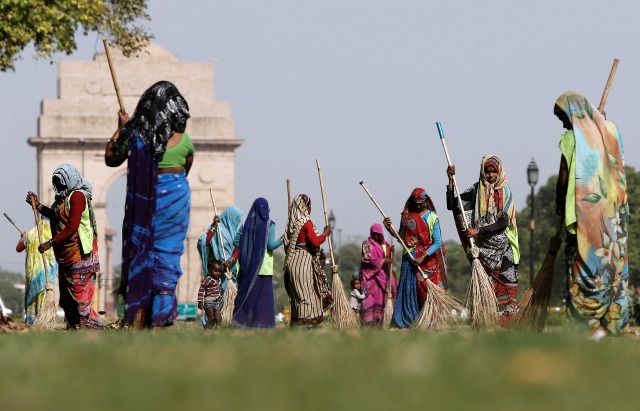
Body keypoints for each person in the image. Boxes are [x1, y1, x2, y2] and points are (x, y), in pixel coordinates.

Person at [105, 80, 193, 328]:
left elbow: (111, 159)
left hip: (147, 202)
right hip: (176, 200)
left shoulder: (137, 137)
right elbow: (186, 168)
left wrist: (121, 128)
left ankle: (140, 313)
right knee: (169, 252)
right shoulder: (184, 139)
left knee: (145, 252)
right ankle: (162, 312)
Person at [554, 91, 629, 338]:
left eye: (563, 117)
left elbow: (565, 178)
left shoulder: (571, 138)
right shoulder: (611, 130)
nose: (564, 124)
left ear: (573, 115)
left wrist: (558, 204)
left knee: (583, 264)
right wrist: (602, 124)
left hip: (585, 215)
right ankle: (613, 324)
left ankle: (585, 323)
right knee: (612, 265)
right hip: (613, 216)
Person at [26, 164, 103, 329]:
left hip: (79, 252)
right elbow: (55, 215)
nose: (59, 186)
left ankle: (85, 324)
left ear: (70, 180)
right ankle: (72, 323)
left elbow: (72, 226)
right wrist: (38, 205)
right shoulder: (62, 198)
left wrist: (50, 242)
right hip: (65, 254)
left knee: (79, 289)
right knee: (67, 292)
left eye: (62, 183)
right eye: (57, 183)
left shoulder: (77, 197)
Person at [446, 155, 520, 325]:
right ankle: (485, 323)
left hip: (503, 252)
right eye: (487, 172)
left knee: (506, 288)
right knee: (484, 289)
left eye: (494, 172)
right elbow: (453, 205)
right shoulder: (475, 190)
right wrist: (451, 181)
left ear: (499, 171)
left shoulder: (504, 191)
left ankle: (507, 326)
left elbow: (503, 222)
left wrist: (477, 230)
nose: (491, 175)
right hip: (482, 252)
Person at [383, 188, 447, 328]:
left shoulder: (432, 217)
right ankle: (405, 322)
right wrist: (390, 230)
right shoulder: (407, 216)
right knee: (408, 290)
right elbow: (402, 238)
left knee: (425, 292)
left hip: (426, 261)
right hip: (409, 259)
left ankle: (428, 322)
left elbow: (437, 242)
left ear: (426, 202)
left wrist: (422, 257)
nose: (418, 206)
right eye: (415, 203)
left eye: (421, 203)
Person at [232, 198, 283, 328]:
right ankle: (264, 324)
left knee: (250, 296)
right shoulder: (269, 224)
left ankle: (243, 322)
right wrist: (284, 238)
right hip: (263, 267)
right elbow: (271, 246)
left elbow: (236, 242)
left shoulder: (248, 225)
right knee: (263, 299)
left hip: (248, 266)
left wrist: (249, 248)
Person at [283, 194, 332, 327]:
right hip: (303, 260)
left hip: (292, 261)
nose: (310, 208)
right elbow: (315, 242)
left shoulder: (291, 223)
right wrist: (325, 234)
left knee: (297, 295)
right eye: (309, 205)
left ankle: (297, 322)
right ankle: (307, 324)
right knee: (308, 294)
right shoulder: (306, 222)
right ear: (305, 206)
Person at [16, 221, 58, 325]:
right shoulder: (54, 235)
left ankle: (31, 322)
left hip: (33, 275)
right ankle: (44, 322)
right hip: (47, 275)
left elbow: (19, 248)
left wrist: (23, 238)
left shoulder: (30, 234)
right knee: (44, 299)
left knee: (33, 299)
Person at [359, 223, 397, 326]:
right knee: (368, 301)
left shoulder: (385, 245)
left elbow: (388, 258)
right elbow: (366, 259)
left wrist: (391, 253)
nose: (376, 236)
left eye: (378, 234)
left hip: (382, 278)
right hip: (370, 278)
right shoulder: (367, 244)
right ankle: (368, 324)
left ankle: (381, 323)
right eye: (374, 234)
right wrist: (383, 261)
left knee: (382, 299)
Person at [197, 258, 223, 329]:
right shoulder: (207, 280)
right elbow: (201, 290)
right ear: (209, 270)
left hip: (216, 302)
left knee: (219, 318)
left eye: (220, 271)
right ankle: (205, 331)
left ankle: (217, 332)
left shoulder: (219, 280)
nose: (218, 273)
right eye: (216, 271)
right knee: (210, 318)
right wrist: (200, 301)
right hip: (208, 301)